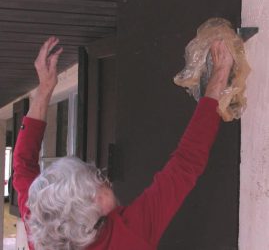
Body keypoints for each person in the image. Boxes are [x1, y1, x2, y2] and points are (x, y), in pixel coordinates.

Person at [13, 36, 234, 250]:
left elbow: (23, 166)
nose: (105, 179)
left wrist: (45, 88)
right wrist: (220, 76)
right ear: (93, 205)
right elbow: (185, 165)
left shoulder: (45, 226)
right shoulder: (129, 237)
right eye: (98, 179)